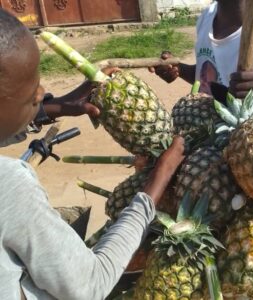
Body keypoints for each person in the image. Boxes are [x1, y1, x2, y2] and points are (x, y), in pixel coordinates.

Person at [0, 9, 185, 300]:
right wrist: (156, 183)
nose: (42, 92)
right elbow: (90, 285)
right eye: (31, 92)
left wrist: (56, 106)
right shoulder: (9, 184)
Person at [149, 0, 253, 100]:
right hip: (207, 127)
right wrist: (179, 69)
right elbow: (210, 76)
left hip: (240, 136)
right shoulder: (207, 16)